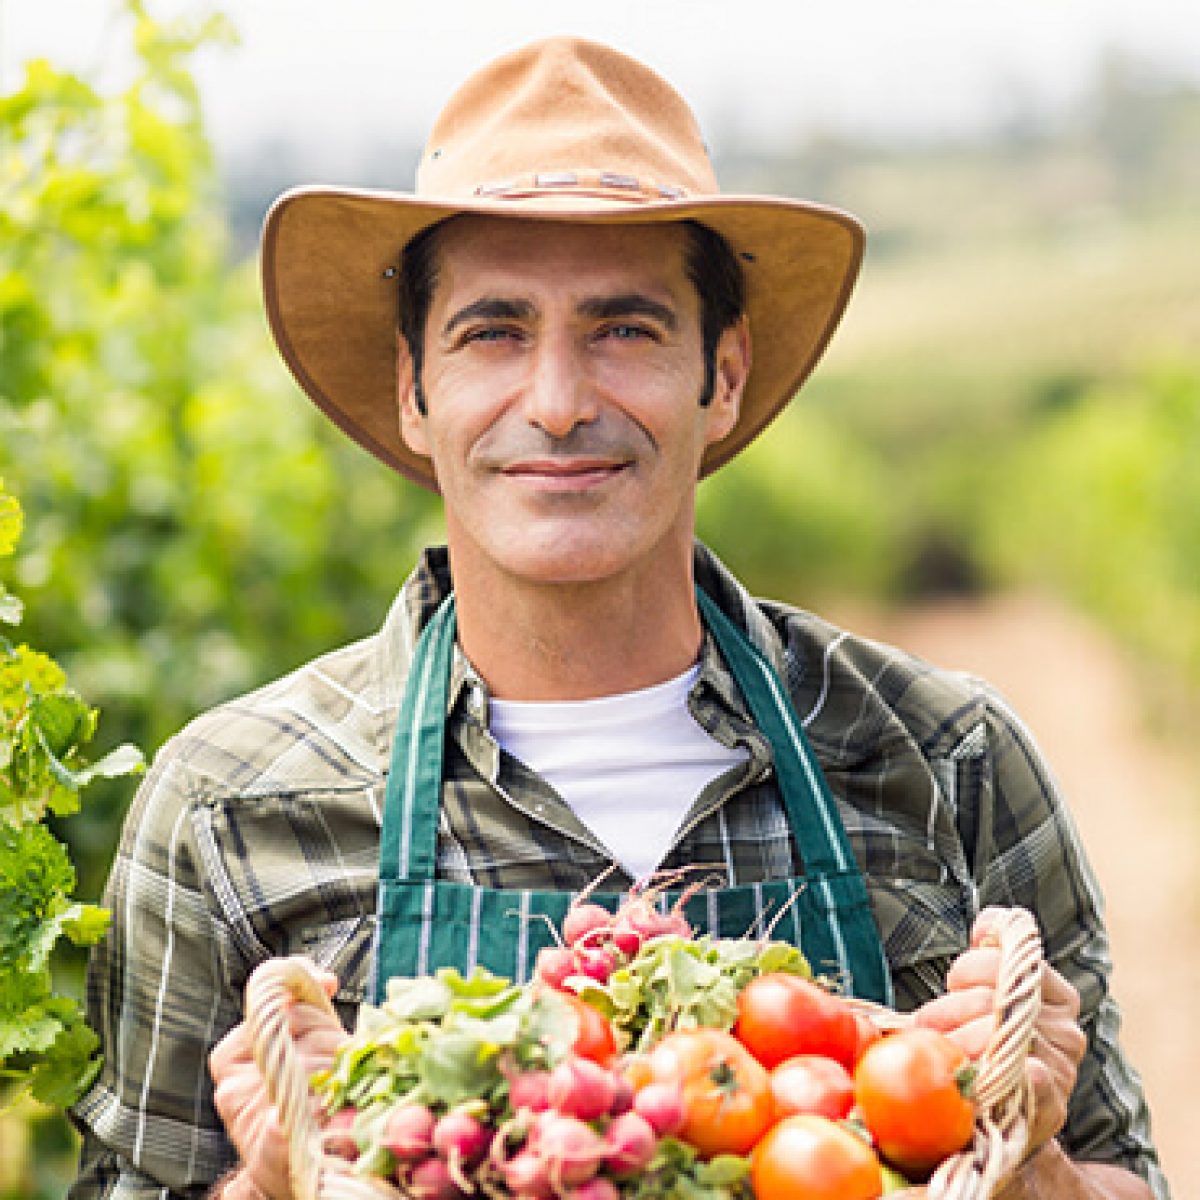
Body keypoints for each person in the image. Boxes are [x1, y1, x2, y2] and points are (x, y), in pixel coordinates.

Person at [69, 35, 1167, 1200]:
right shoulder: (232, 809)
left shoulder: (948, 759)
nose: (556, 403)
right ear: (413, 389)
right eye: (493, 331)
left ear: (724, 372)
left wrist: (1033, 1156)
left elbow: (1123, 1177)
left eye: (625, 330)